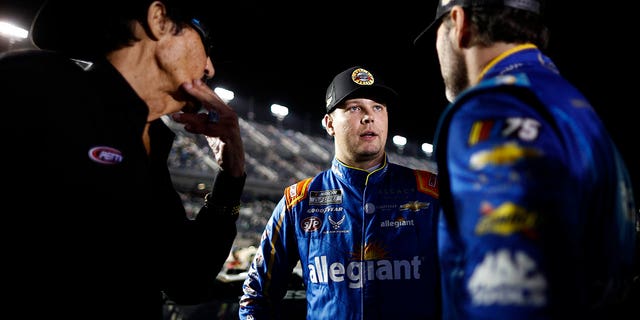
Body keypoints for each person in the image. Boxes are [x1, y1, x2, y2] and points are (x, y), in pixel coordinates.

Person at [0, 0, 245, 317]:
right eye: (204, 43)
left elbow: (187, 281)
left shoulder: (150, 140)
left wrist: (231, 175)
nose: (210, 68)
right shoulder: (34, 84)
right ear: (158, 19)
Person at [413, 0, 639, 318]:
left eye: (437, 34)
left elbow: (506, 294)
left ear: (459, 22)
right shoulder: (573, 106)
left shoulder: (493, 108)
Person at [238, 66, 442, 319]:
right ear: (329, 123)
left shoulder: (430, 193)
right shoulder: (298, 201)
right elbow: (255, 299)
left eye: (378, 107)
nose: (369, 117)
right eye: (355, 108)